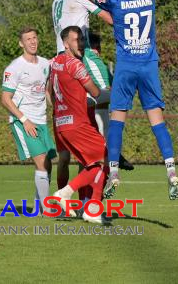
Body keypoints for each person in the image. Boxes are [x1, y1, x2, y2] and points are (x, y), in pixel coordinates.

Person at [83, 0, 178, 200]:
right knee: (157, 121)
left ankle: (114, 173)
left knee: (117, 120)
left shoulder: (114, 1)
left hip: (126, 66)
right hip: (148, 66)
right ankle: (171, 171)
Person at [51, 0, 132, 204]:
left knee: (69, 152)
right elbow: (109, 17)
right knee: (107, 99)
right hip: (78, 60)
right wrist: (131, 18)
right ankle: (111, 151)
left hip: (57, 64)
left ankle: (73, 202)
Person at [50, 26, 108, 224]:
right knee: (105, 158)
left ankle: (91, 208)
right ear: (66, 43)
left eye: (82, 40)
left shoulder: (55, 62)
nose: (81, 43)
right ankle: (68, 195)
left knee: (94, 164)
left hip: (61, 124)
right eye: (77, 40)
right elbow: (96, 92)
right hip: (77, 124)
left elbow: (50, 91)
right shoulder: (76, 65)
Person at [1, 27, 56, 213]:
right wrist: (24, 120)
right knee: (41, 162)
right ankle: (48, 209)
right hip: (23, 120)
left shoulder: (45, 64)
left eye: (34, 38)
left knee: (47, 164)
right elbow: (5, 99)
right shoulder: (14, 68)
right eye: (28, 39)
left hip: (41, 120)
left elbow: (47, 90)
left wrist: (56, 107)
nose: (32, 42)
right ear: (21, 43)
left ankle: (38, 208)